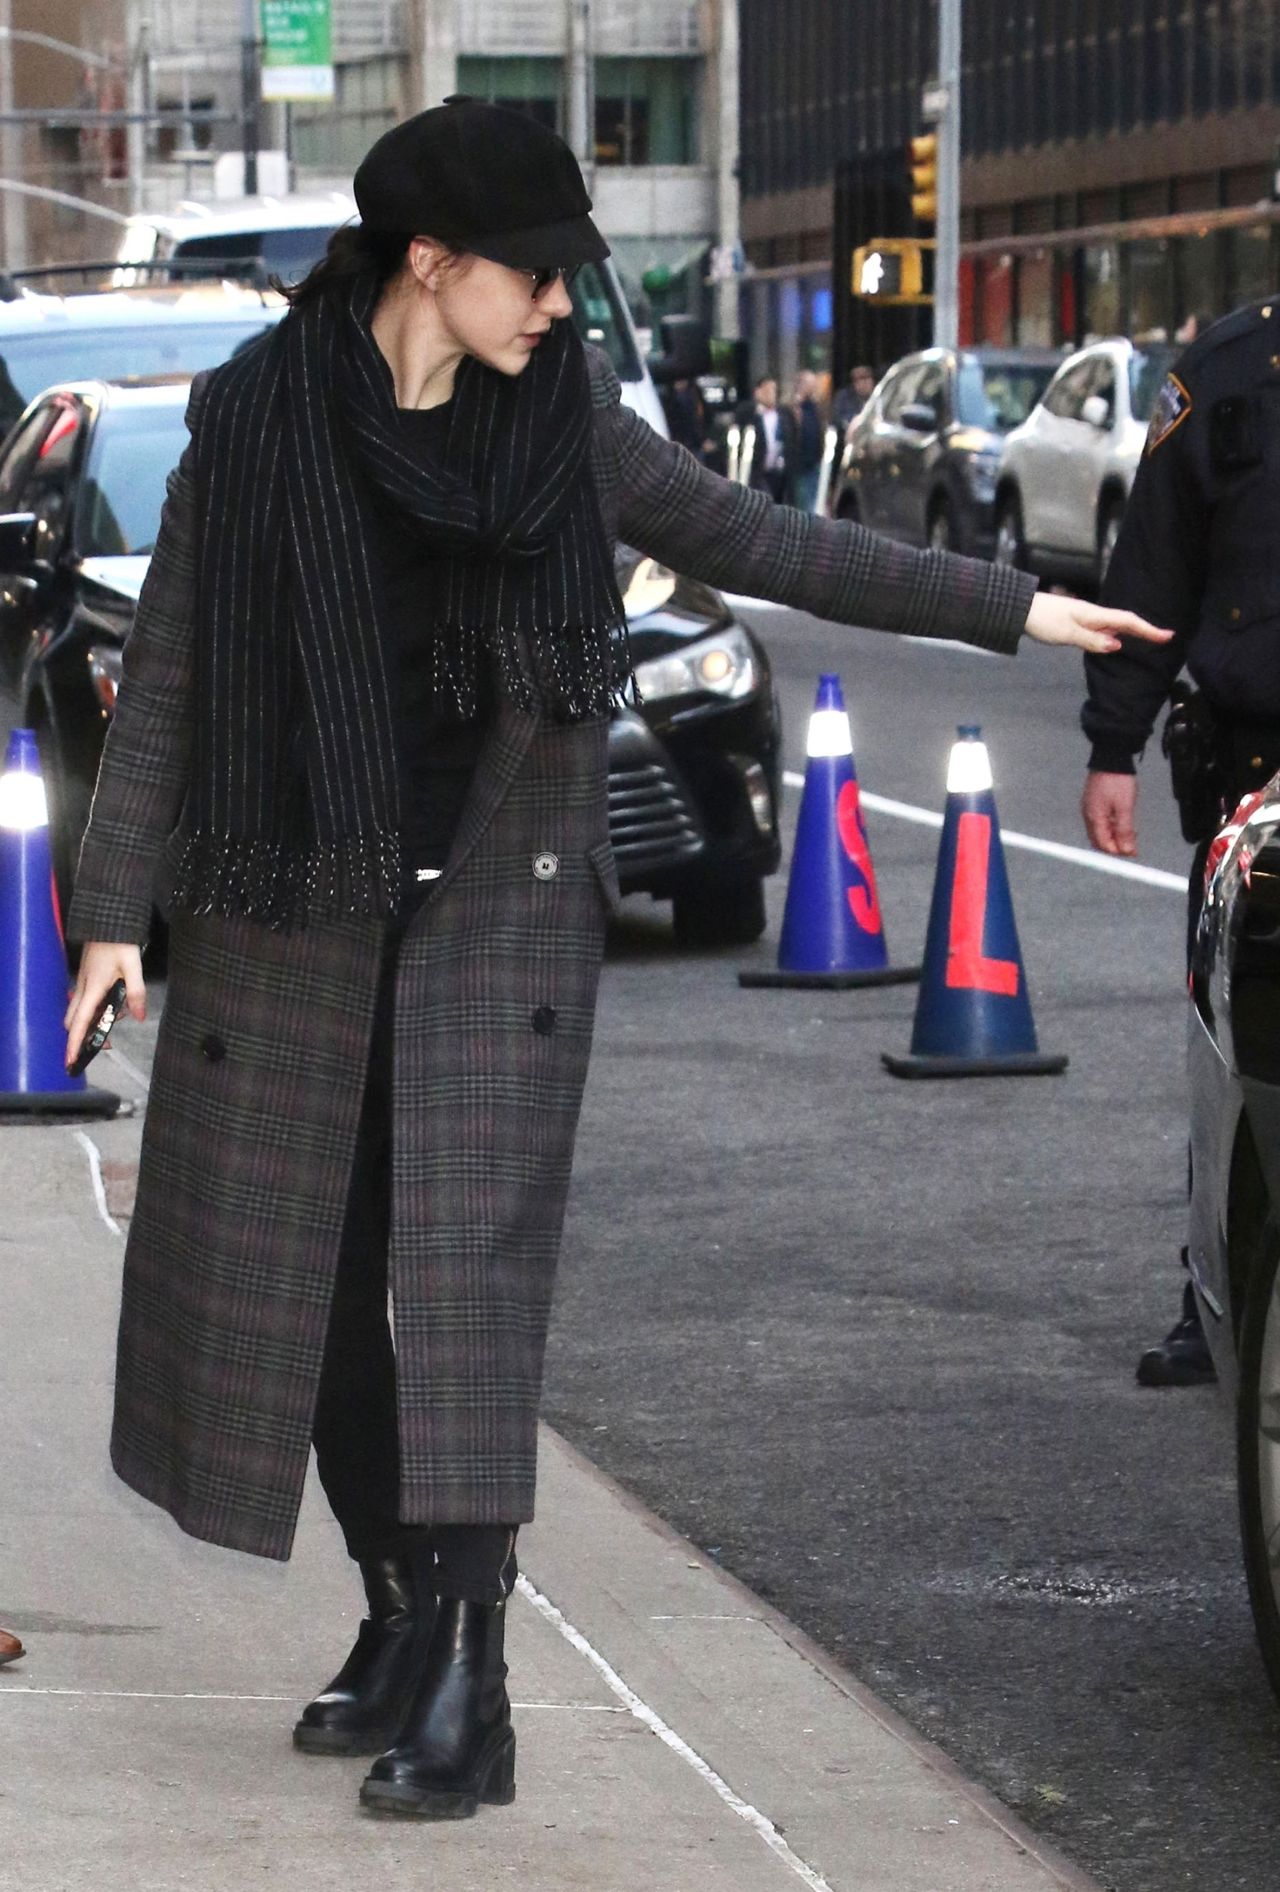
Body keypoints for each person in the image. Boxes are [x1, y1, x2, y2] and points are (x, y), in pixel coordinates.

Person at [63, 95, 1166, 1826]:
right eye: (538, 273)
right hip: (297, 920)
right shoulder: (256, 424)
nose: (564, 305)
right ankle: (403, 1610)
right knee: (317, 1318)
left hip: (492, 925)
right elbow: (180, 678)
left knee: (471, 1311)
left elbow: (760, 543)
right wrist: (112, 913)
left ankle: (473, 1683)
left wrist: (1004, 607)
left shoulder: (559, 421)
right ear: (431, 266)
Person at [1081, 295, 1280, 1387]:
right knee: (1234, 1035)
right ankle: (1219, 1292)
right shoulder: (1227, 367)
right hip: (1257, 767)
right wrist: (1110, 741)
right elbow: (1150, 566)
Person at [747, 372, 797, 502]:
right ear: (758, 392)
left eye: (774, 389)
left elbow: (793, 438)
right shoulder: (750, 414)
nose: (771, 394)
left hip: (781, 471)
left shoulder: (784, 414)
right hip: (760, 472)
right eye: (767, 390)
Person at [789, 368, 825, 513]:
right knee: (805, 504)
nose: (814, 387)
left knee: (815, 501)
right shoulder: (793, 407)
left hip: (814, 461)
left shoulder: (814, 406)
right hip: (801, 464)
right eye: (811, 384)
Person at [833, 362, 876, 439]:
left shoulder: (879, 396)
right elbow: (838, 419)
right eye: (857, 380)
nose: (863, 383)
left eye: (866, 378)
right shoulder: (844, 397)